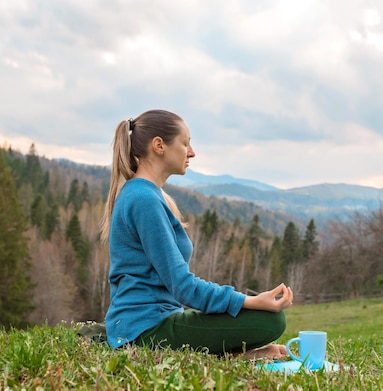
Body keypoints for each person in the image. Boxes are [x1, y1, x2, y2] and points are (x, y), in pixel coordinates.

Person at [99, 109, 294, 358]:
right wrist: (251, 301)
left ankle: (234, 354)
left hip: (153, 322)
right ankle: (232, 355)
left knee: (267, 319)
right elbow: (183, 286)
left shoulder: (146, 195)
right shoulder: (144, 199)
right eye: (185, 143)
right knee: (270, 322)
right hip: (143, 331)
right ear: (159, 145)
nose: (191, 152)